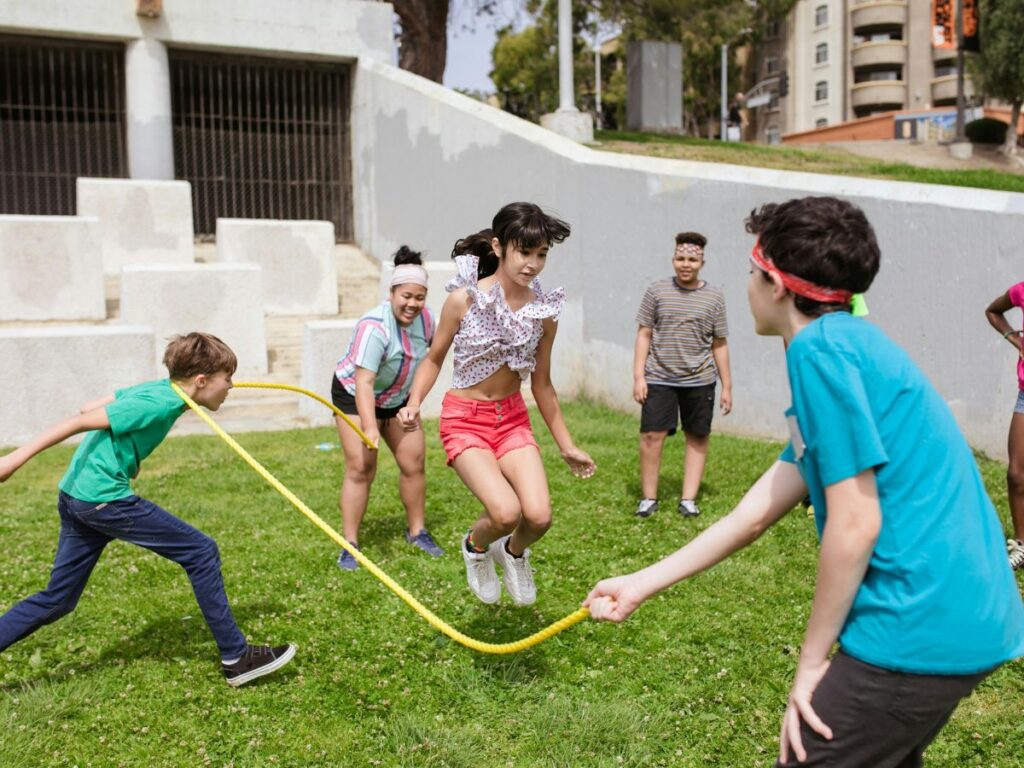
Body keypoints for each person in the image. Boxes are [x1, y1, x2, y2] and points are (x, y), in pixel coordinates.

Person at [586, 197, 1024, 767]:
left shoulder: (820, 353)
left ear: (776, 284)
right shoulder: (847, 344)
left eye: (751, 271)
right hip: (970, 612)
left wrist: (813, 661)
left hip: (918, 620)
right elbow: (759, 509)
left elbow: (855, 520)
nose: (746, 284)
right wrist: (643, 582)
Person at [0, 333, 296, 687]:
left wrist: (128, 456)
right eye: (226, 378)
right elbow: (78, 420)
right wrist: (13, 460)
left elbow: (92, 406)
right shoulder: (157, 404)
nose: (231, 386)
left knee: (58, 599)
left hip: (76, 496)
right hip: (103, 500)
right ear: (201, 382)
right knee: (201, 551)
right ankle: (236, 657)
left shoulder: (161, 389)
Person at [398, 202, 595, 607]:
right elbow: (434, 358)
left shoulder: (545, 311)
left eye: (541, 254)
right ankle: (474, 546)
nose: (533, 264)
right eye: (525, 252)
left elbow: (542, 385)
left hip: (512, 421)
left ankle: (513, 553)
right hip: (465, 420)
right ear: (499, 246)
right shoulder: (463, 300)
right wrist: (414, 401)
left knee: (538, 516)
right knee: (505, 513)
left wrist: (566, 444)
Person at [331, 246, 443, 570]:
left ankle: (417, 531)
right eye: (406, 295)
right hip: (355, 396)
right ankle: (349, 543)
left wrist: (415, 402)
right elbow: (364, 383)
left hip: (398, 398)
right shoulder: (374, 327)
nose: (412, 304)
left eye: (419, 297)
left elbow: (430, 361)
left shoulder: (427, 320)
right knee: (361, 468)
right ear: (392, 292)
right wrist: (369, 427)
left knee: (414, 461)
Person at [633, 231, 731, 519]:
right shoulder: (656, 291)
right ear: (673, 259)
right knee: (651, 435)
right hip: (659, 376)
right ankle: (648, 498)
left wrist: (727, 386)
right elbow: (644, 333)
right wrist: (639, 376)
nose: (685, 264)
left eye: (691, 259)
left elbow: (720, 343)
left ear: (702, 262)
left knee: (697, 435)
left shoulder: (714, 297)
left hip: (700, 379)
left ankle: (688, 499)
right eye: (680, 258)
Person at [985, 283, 1024, 570]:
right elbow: (993, 311)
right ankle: (1022, 544)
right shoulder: (1021, 291)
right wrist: (1016, 339)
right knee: (1016, 473)